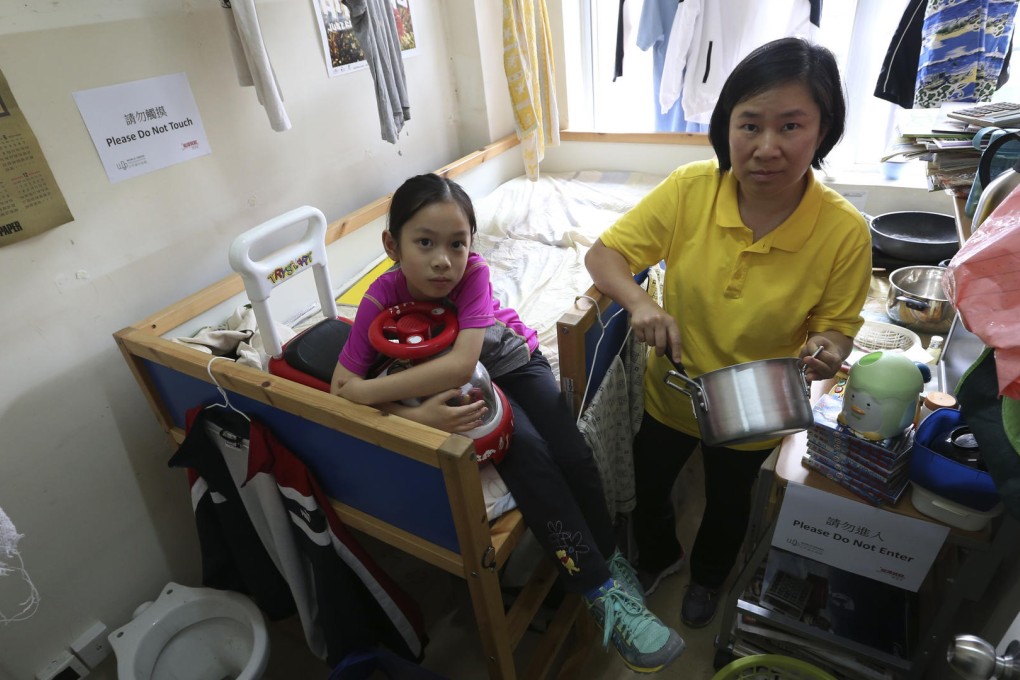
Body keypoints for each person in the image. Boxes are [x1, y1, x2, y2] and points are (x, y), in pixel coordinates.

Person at [331, 173, 686, 673]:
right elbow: (339, 387)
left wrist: (367, 393)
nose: (443, 260)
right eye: (425, 243)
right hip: (463, 382)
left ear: (471, 245)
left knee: (574, 451)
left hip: (511, 360)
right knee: (532, 458)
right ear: (392, 245)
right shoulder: (379, 298)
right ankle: (598, 589)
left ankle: (609, 557)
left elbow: (458, 364)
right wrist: (416, 415)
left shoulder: (473, 274)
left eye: (457, 244)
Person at [584, 37, 872, 629]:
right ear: (726, 126)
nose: (767, 147)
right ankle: (659, 556)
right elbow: (603, 255)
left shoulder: (844, 231)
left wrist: (827, 350)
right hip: (673, 388)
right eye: (750, 125)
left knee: (729, 499)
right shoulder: (691, 188)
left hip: (753, 405)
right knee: (649, 482)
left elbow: (837, 328)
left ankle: (709, 578)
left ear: (823, 130)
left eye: (790, 126)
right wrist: (639, 302)